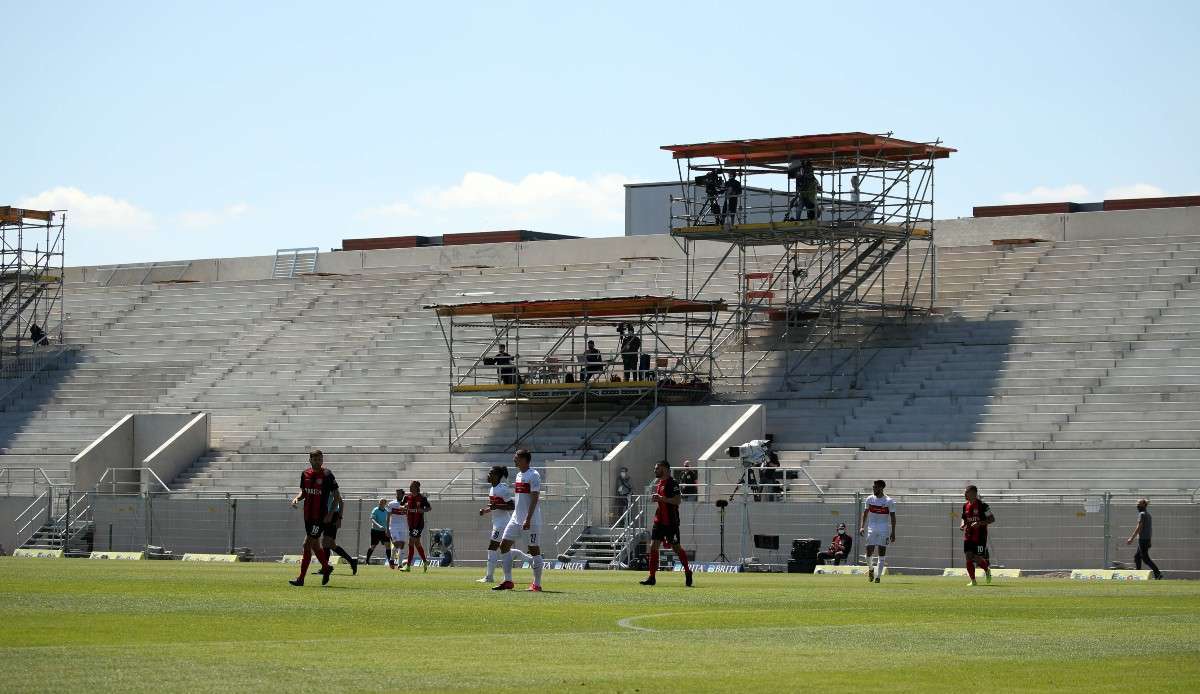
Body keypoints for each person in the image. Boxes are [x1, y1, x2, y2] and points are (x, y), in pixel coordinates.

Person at [494, 449, 544, 592]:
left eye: (516, 457)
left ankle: (537, 584)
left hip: (531, 520)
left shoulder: (533, 475)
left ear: (524, 459)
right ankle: (508, 581)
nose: (514, 459)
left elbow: (535, 498)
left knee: (534, 550)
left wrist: (528, 519)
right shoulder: (518, 475)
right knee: (504, 546)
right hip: (516, 519)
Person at [640, 460, 694, 587]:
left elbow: (677, 501)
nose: (655, 470)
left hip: (671, 522)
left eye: (657, 468)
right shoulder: (659, 484)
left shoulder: (672, 483)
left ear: (664, 469)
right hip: (659, 521)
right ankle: (651, 577)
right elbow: (662, 500)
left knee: (676, 548)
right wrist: (657, 499)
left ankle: (688, 571)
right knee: (653, 547)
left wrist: (661, 498)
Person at [287, 450, 337, 586]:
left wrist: (330, 513)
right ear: (310, 460)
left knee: (307, 544)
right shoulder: (305, 474)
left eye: (320, 459)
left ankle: (301, 578)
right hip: (308, 516)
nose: (318, 461)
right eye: (315, 459)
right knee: (315, 545)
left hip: (320, 517)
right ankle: (326, 568)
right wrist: (297, 498)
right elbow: (304, 492)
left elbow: (337, 497)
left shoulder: (327, 475)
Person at [477, 465, 530, 583]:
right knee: (503, 549)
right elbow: (495, 506)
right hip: (497, 522)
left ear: (497, 476)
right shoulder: (492, 489)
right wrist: (486, 510)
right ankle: (528, 559)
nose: (488, 475)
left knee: (492, 547)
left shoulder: (502, 489)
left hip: (502, 523)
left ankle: (489, 577)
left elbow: (512, 506)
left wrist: (496, 506)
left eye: (490, 473)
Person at [858, 479, 896, 583]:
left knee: (881, 553)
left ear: (881, 488)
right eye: (873, 487)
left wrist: (893, 532)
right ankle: (871, 569)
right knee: (868, 553)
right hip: (871, 529)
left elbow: (893, 517)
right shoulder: (870, 499)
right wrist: (862, 527)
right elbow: (865, 513)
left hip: (884, 529)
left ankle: (878, 577)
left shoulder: (889, 501)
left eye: (875, 487)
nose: (873, 488)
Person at [961, 485, 994, 586]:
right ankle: (973, 580)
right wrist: (962, 524)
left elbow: (992, 519)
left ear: (973, 493)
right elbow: (964, 518)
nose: (964, 494)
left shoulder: (983, 505)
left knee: (976, 557)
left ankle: (987, 570)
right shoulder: (965, 505)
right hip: (968, 535)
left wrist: (979, 523)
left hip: (980, 536)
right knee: (968, 556)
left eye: (966, 492)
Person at [319, 497, 359, 575]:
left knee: (325, 542)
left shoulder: (331, 487)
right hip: (326, 514)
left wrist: (339, 518)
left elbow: (341, 502)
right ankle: (352, 561)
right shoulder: (321, 487)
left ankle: (325, 568)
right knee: (331, 544)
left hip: (333, 516)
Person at [1125, 498, 1163, 579]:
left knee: (1145, 559)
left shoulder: (1142, 514)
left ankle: (1158, 573)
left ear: (1144, 505)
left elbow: (1139, 527)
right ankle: (1138, 574)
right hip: (1146, 539)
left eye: (1139, 504)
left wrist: (1131, 538)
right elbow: (1149, 528)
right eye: (1137, 504)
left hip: (1143, 539)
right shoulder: (1148, 514)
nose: (1137, 505)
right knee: (1137, 557)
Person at [402, 481, 433, 572]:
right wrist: (404, 507)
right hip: (411, 524)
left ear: (416, 487)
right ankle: (425, 561)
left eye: (412, 486)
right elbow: (402, 506)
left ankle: (408, 566)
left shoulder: (422, 498)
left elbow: (429, 508)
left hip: (418, 525)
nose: (410, 488)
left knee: (411, 542)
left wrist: (422, 510)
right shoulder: (407, 497)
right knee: (417, 543)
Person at [386, 487, 408, 569]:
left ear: (403, 495)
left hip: (403, 527)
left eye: (399, 493)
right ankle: (392, 559)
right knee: (397, 544)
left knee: (402, 546)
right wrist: (387, 529)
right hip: (394, 527)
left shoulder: (406, 504)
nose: (397, 495)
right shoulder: (391, 504)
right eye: (396, 493)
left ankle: (399, 564)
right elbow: (387, 517)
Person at [365, 498, 391, 566]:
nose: (381, 503)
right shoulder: (375, 509)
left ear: (385, 504)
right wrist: (379, 526)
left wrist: (388, 529)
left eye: (382, 502)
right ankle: (367, 561)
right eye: (380, 502)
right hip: (375, 531)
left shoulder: (386, 511)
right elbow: (372, 519)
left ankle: (390, 562)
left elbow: (388, 520)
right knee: (373, 546)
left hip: (384, 531)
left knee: (388, 545)